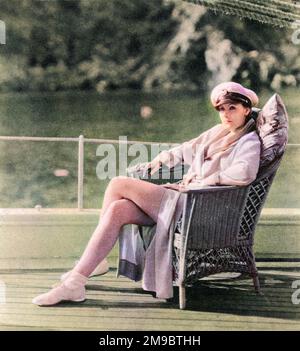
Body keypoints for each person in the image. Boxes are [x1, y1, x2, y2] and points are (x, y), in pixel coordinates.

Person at [32, 81, 261, 306]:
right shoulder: (219, 132)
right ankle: (76, 282)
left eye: (233, 108)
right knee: (117, 210)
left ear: (246, 109)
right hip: (185, 199)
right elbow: (187, 149)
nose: (227, 114)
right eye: (222, 109)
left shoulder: (248, 141)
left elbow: (245, 172)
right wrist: (162, 158)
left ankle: (96, 263)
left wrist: (209, 179)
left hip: (198, 207)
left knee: (118, 183)